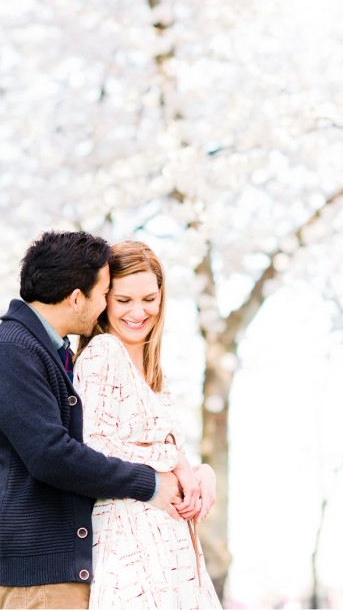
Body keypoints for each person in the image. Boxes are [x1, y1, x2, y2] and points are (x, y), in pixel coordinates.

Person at [0, 230, 183, 610]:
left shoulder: (48, 351)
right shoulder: (13, 352)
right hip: (39, 573)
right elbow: (51, 455)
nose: (107, 305)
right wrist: (151, 483)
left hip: (59, 570)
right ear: (76, 298)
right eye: (106, 294)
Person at [74, 240, 222, 608]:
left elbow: (162, 453)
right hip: (130, 552)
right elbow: (92, 445)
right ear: (104, 300)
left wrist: (202, 473)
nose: (138, 312)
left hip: (174, 553)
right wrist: (175, 460)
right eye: (123, 300)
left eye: (149, 299)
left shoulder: (156, 374)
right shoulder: (103, 353)